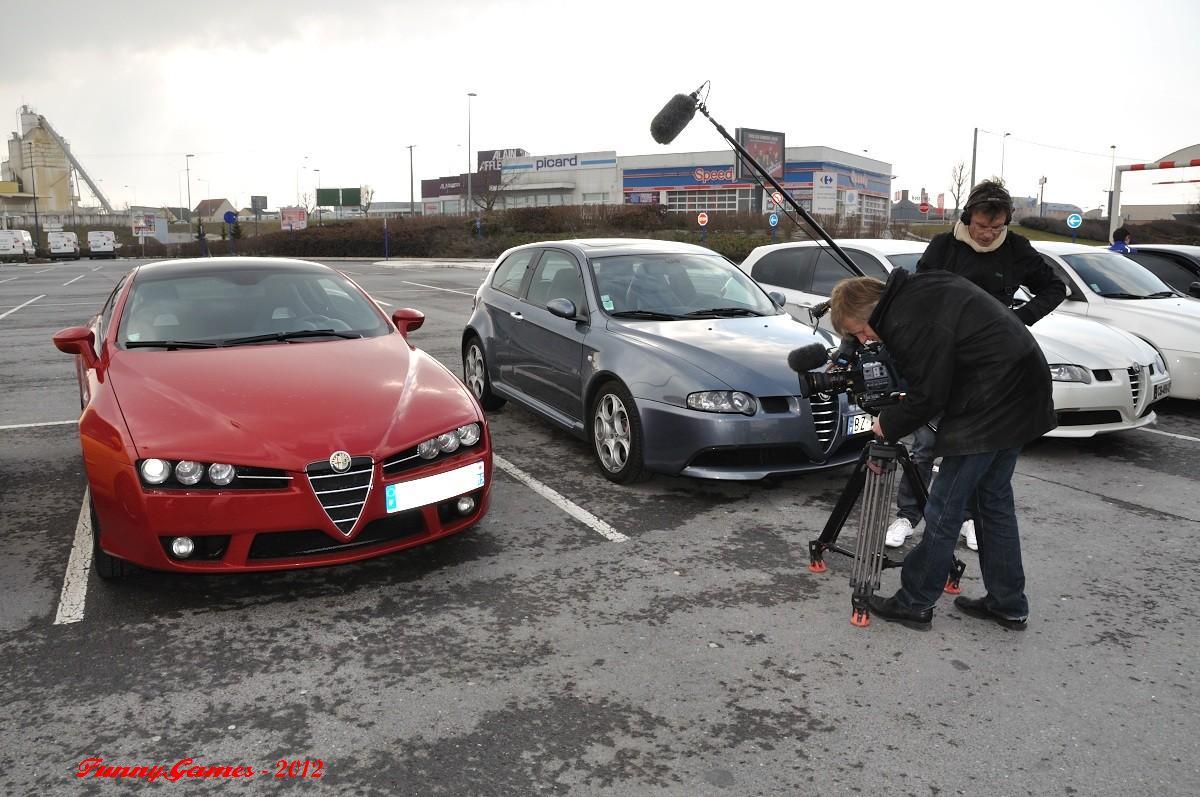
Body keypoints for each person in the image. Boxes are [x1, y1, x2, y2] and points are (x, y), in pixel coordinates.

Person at [830, 271, 1056, 631]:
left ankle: (915, 601)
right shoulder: (919, 292)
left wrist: (886, 426)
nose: (863, 339)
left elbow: (929, 394)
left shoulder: (907, 319)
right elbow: (938, 370)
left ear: (872, 310)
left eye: (861, 330)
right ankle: (1008, 603)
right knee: (992, 502)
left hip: (993, 404)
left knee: (945, 508)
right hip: (1022, 392)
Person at [883, 180, 1066, 552]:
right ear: (969, 217)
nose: (988, 235)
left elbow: (1055, 287)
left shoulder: (1015, 248)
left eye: (997, 228)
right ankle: (908, 514)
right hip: (942, 354)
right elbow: (920, 292)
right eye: (983, 226)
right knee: (924, 442)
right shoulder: (944, 246)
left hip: (991, 367)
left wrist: (1022, 317)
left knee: (975, 446)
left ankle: (967, 518)